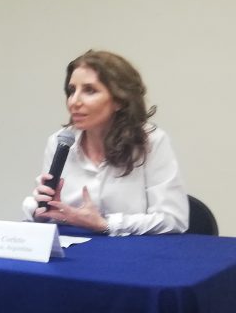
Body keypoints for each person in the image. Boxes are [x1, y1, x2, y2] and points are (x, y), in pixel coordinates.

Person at [23, 50, 188, 236]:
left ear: (119, 100)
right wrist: (46, 209)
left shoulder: (151, 141)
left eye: (89, 91)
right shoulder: (60, 142)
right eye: (72, 91)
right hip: (74, 248)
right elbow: (44, 219)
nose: (74, 101)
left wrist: (105, 224)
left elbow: (173, 220)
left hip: (132, 250)